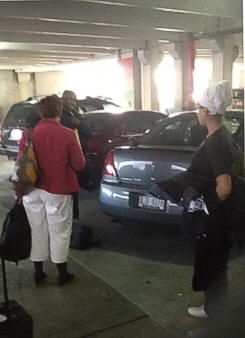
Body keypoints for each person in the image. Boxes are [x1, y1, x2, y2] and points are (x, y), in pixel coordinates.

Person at [20, 95, 86, 285]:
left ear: (40, 113)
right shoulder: (68, 134)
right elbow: (79, 165)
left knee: (37, 229)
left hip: (31, 190)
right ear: (59, 111)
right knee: (60, 232)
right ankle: (62, 273)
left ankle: (38, 272)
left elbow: (21, 164)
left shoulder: (28, 135)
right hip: (58, 190)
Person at [185, 81, 235, 321]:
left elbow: (224, 187)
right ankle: (213, 309)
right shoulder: (224, 135)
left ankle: (216, 322)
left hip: (213, 219)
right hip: (222, 218)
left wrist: (205, 205)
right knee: (217, 264)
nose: (197, 112)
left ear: (206, 111)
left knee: (212, 265)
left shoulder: (215, 142)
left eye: (198, 108)